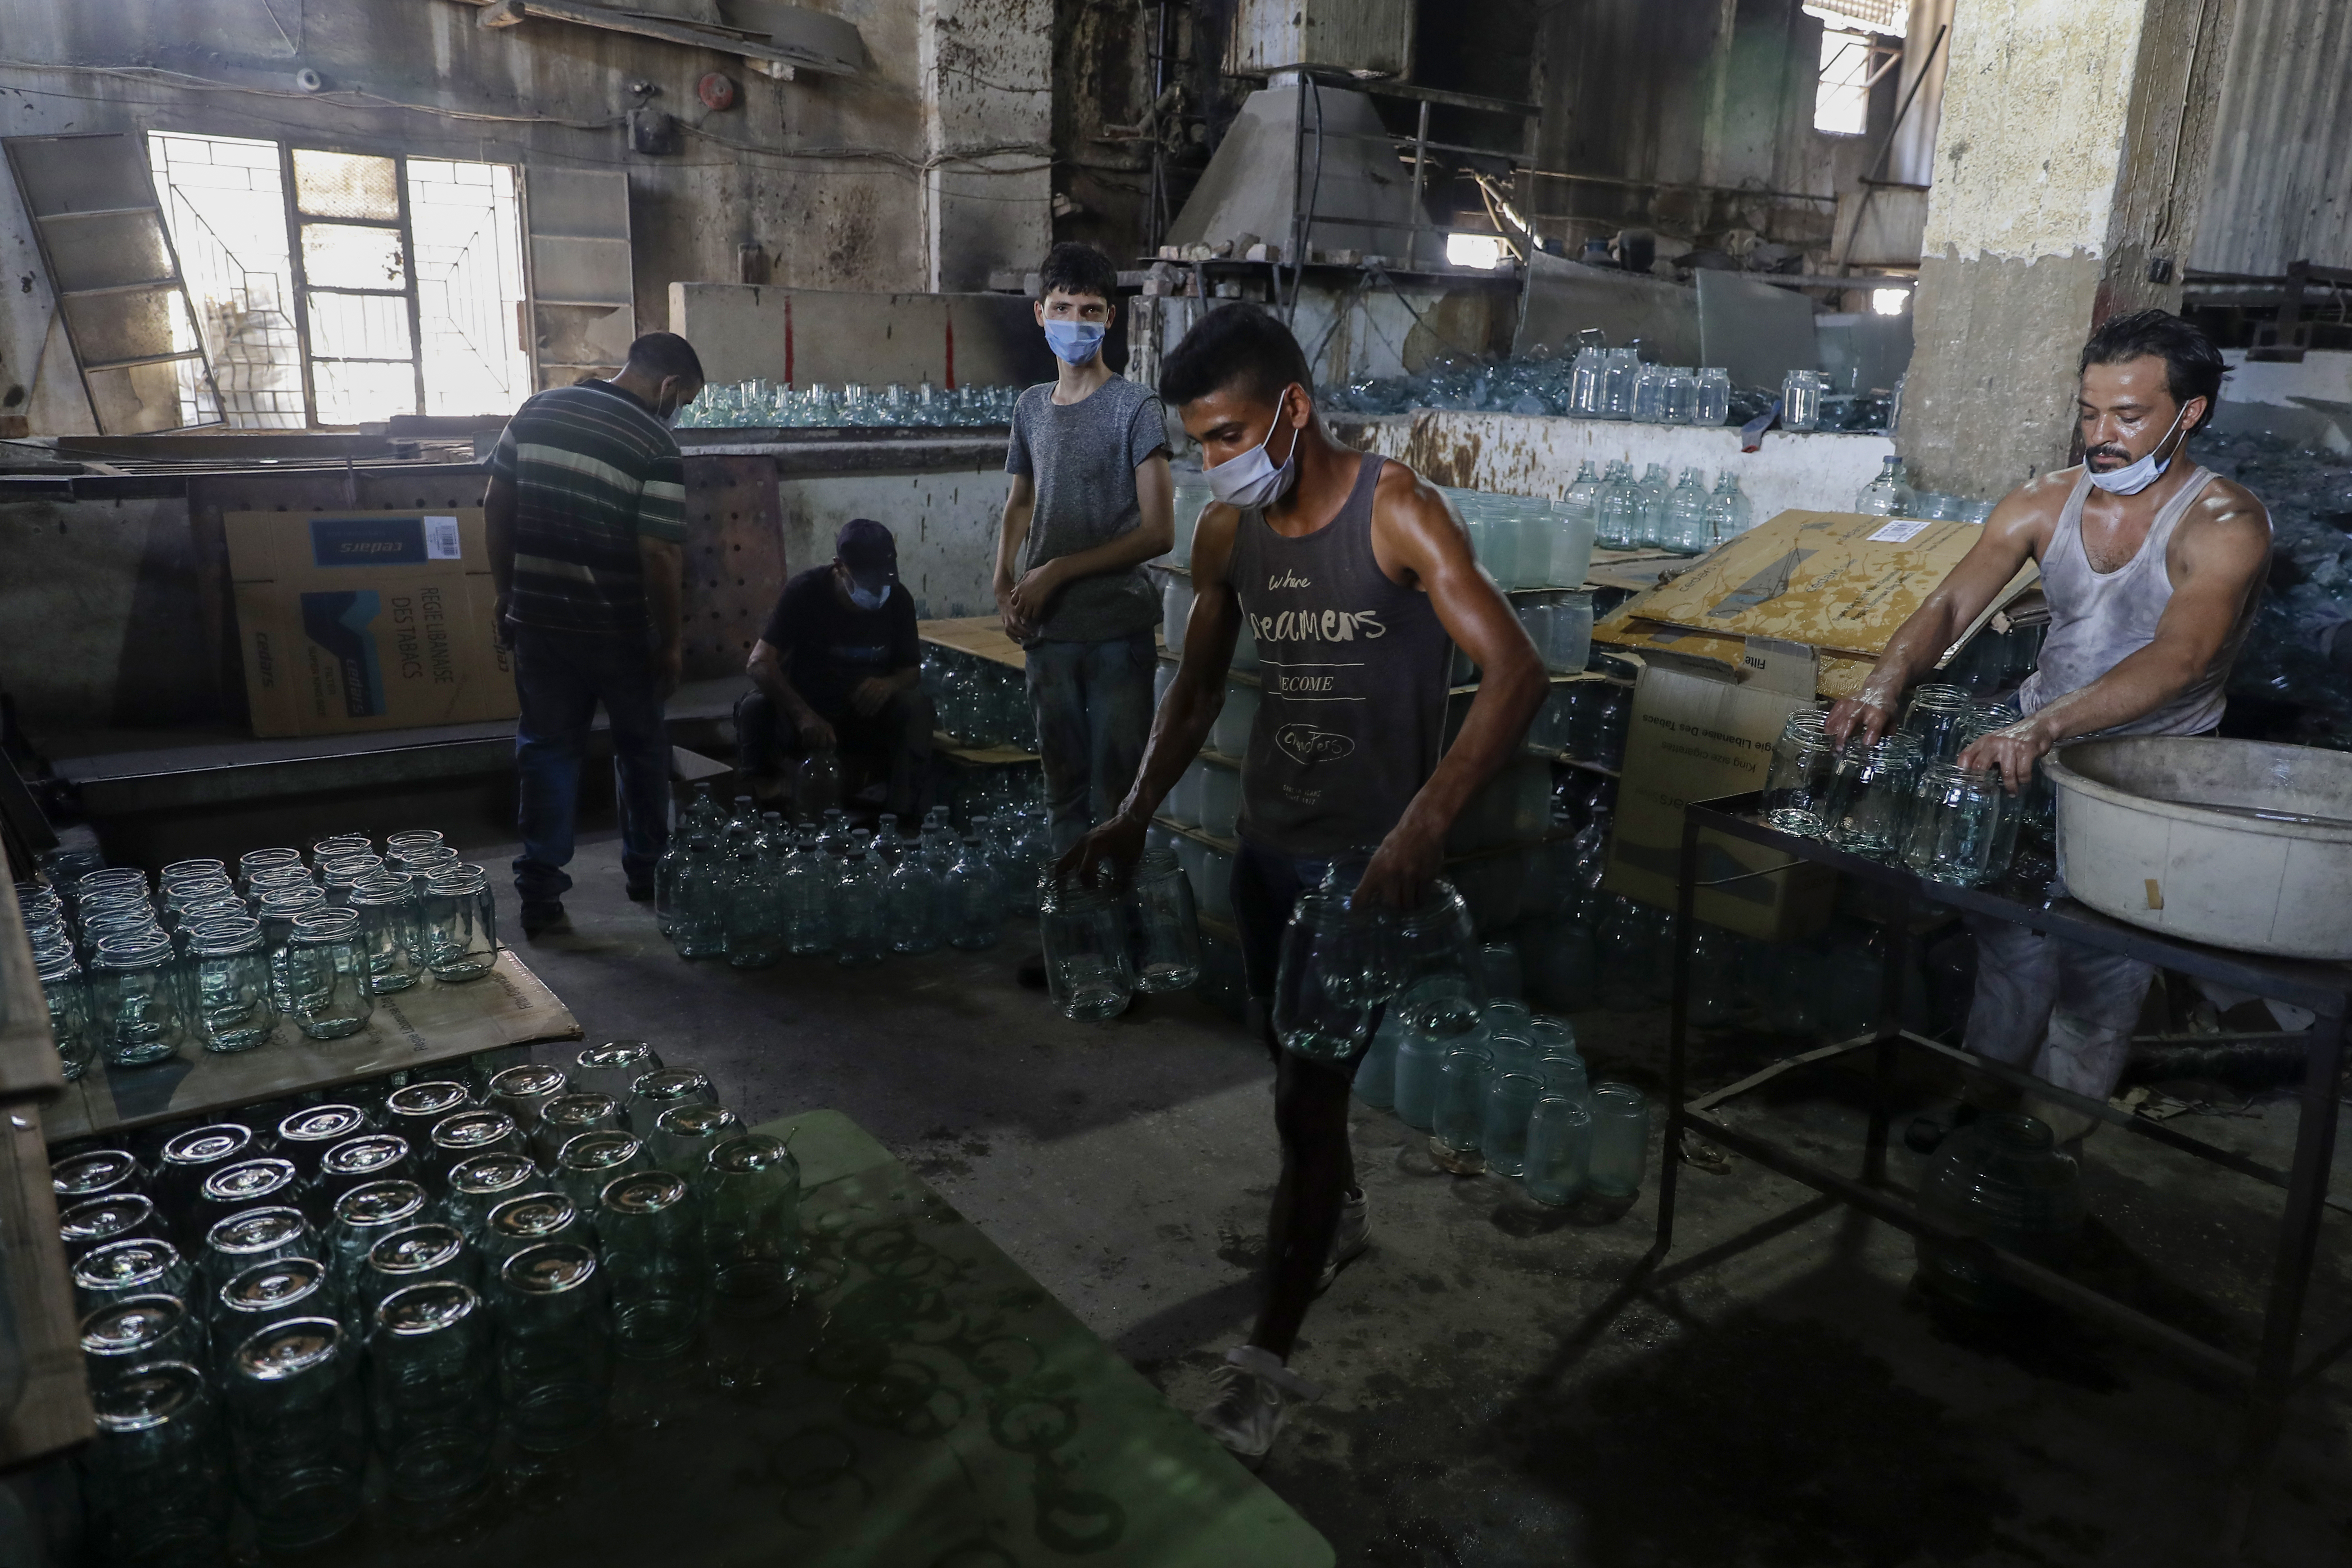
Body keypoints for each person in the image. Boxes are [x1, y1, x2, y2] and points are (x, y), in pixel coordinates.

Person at [1060, 305, 1547, 1460]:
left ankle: (1262, 1363)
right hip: (1268, 855)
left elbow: (1514, 672)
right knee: (1290, 1074)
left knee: (1305, 1099)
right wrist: (1132, 812)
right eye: (1197, 442)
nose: (1215, 461)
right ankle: (1333, 1210)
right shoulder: (1232, 541)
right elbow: (1192, 694)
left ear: (1292, 408)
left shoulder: (1396, 511)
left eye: (1228, 433)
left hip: (1360, 874)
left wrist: (1424, 824)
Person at [1828, 309, 2270, 1143]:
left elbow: (2179, 657)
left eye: (2129, 415)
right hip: (2031, 747)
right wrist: (1884, 682)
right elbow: (1952, 602)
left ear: (2191, 412)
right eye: (2090, 411)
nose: (2102, 436)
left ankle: (2047, 1148)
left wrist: (2044, 728)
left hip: (2150, 776)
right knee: (2009, 941)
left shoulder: (2224, 524)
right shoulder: (2045, 501)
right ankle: (1981, 1109)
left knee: (2101, 967)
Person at [486, 331, 703, 937]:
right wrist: (669, 641)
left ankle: (541, 895)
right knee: (640, 750)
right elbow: (659, 554)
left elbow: (495, 504)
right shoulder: (655, 442)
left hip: (540, 623)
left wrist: (508, 593)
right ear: (668, 388)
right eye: (683, 398)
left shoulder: (536, 410)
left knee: (548, 751)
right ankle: (647, 874)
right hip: (617, 632)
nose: (678, 409)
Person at [998, 242, 1177, 866]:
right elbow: (1020, 501)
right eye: (1064, 307)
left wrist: (1057, 571)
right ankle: (1071, 942)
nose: (1076, 321)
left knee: (1117, 794)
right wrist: (1003, 581)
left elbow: (1159, 532)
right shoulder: (1029, 408)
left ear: (1111, 320)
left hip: (1113, 630)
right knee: (1061, 792)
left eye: (1091, 309)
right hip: (1048, 635)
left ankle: (1118, 937)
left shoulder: (1136, 408)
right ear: (1040, 314)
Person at [737, 519, 932, 820]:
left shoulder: (898, 600)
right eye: (866, 582)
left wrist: (890, 685)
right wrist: (802, 714)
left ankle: (903, 821)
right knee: (754, 708)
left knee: (916, 706)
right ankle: (772, 814)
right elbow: (759, 663)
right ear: (839, 567)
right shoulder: (805, 592)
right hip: (810, 718)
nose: (876, 591)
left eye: (883, 582)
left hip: (863, 717)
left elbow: (911, 672)